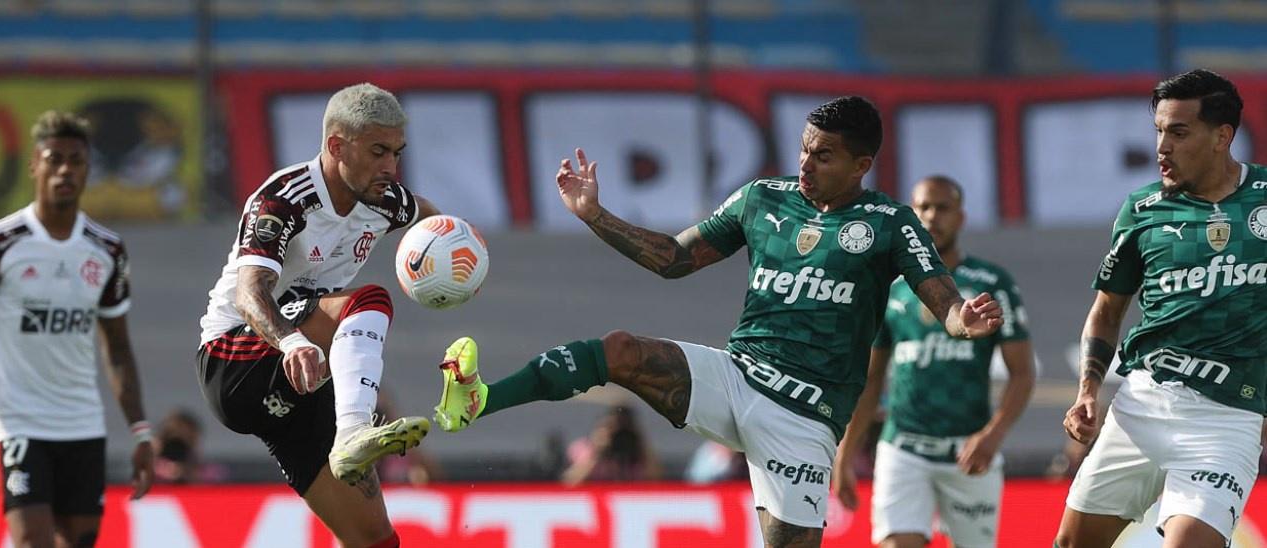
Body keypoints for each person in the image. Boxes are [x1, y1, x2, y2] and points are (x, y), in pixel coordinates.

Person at [432, 96, 1003, 548]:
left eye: (823, 155)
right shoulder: (762, 199)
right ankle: (479, 399)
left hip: (806, 416)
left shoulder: (888, 221)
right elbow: (674, 259)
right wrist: (594, 215)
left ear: (861, 164)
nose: (805, 163)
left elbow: (943, 300)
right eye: (803, 149)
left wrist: (962, 318)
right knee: (622, 350)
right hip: (736, 376)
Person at [196, 83, 434, 548]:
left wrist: (453, 250)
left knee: (374, 539)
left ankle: (350, 432)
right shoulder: (283, 200)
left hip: (304, 380)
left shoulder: (385, 198)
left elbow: (428, 217)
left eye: (397, 153)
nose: (390, 166)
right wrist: (292, 341)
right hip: (237, 358)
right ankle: (354, 431)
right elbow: (250, 293)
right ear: (336, 146)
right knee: (367, 301)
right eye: (378, 151)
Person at [1056, 69, 1267, 548]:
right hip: (1144, 401)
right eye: (1159, 131)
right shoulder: (1142, 209)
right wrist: (1088, 391)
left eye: (1179, 131)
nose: (1162, 147)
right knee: (1072, 542)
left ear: (1222, 136)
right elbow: (1107, 312)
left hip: (1226, 417)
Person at [831, 176, 1035, 548]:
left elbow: (1022, 374)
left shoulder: (992, 283)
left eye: (943, 207)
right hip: (903, 449)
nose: (932, 216)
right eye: (923, 207)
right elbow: (870, 379)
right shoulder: (891, 287)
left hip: (969, 454)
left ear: (961, 217)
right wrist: (845, 455)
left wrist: (993, 434)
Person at [0, 110, 154, 547]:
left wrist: (140, 430)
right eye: (54, 158)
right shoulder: (4, 242)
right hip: (20, 424)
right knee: (32, 541)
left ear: (87, 169)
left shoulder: (106, 250)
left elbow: (118, 348)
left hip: (82, 425)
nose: (65, 169)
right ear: (34, 165)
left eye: (76, 161)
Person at [560, 404, 663, 485]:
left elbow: (657, 478)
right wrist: (597, 451)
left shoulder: (638, 450)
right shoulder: (583, 447)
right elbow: (570, 482)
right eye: (611, 428)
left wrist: (640, 441)